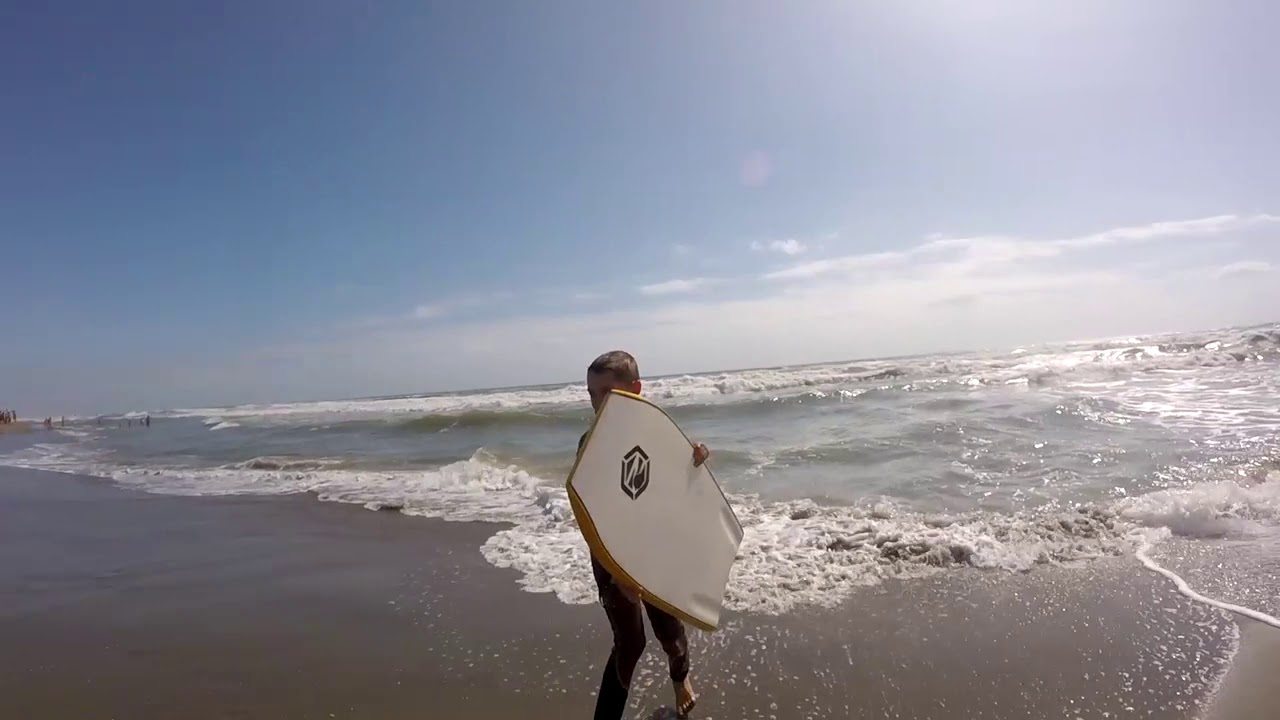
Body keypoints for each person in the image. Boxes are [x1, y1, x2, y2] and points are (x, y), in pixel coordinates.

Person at [580, 350, 707, 720]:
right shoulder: (590, 445)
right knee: (630, 643)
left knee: (669, 629)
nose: (597, 402)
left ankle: (680, 679)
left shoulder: (658, 435)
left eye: (607, 392)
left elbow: (677, 486)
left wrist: (696, 460)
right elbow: (592, 515)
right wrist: (618, 571)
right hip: (610, 554)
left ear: (635, 390)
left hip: (652, 547)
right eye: (591, 394)